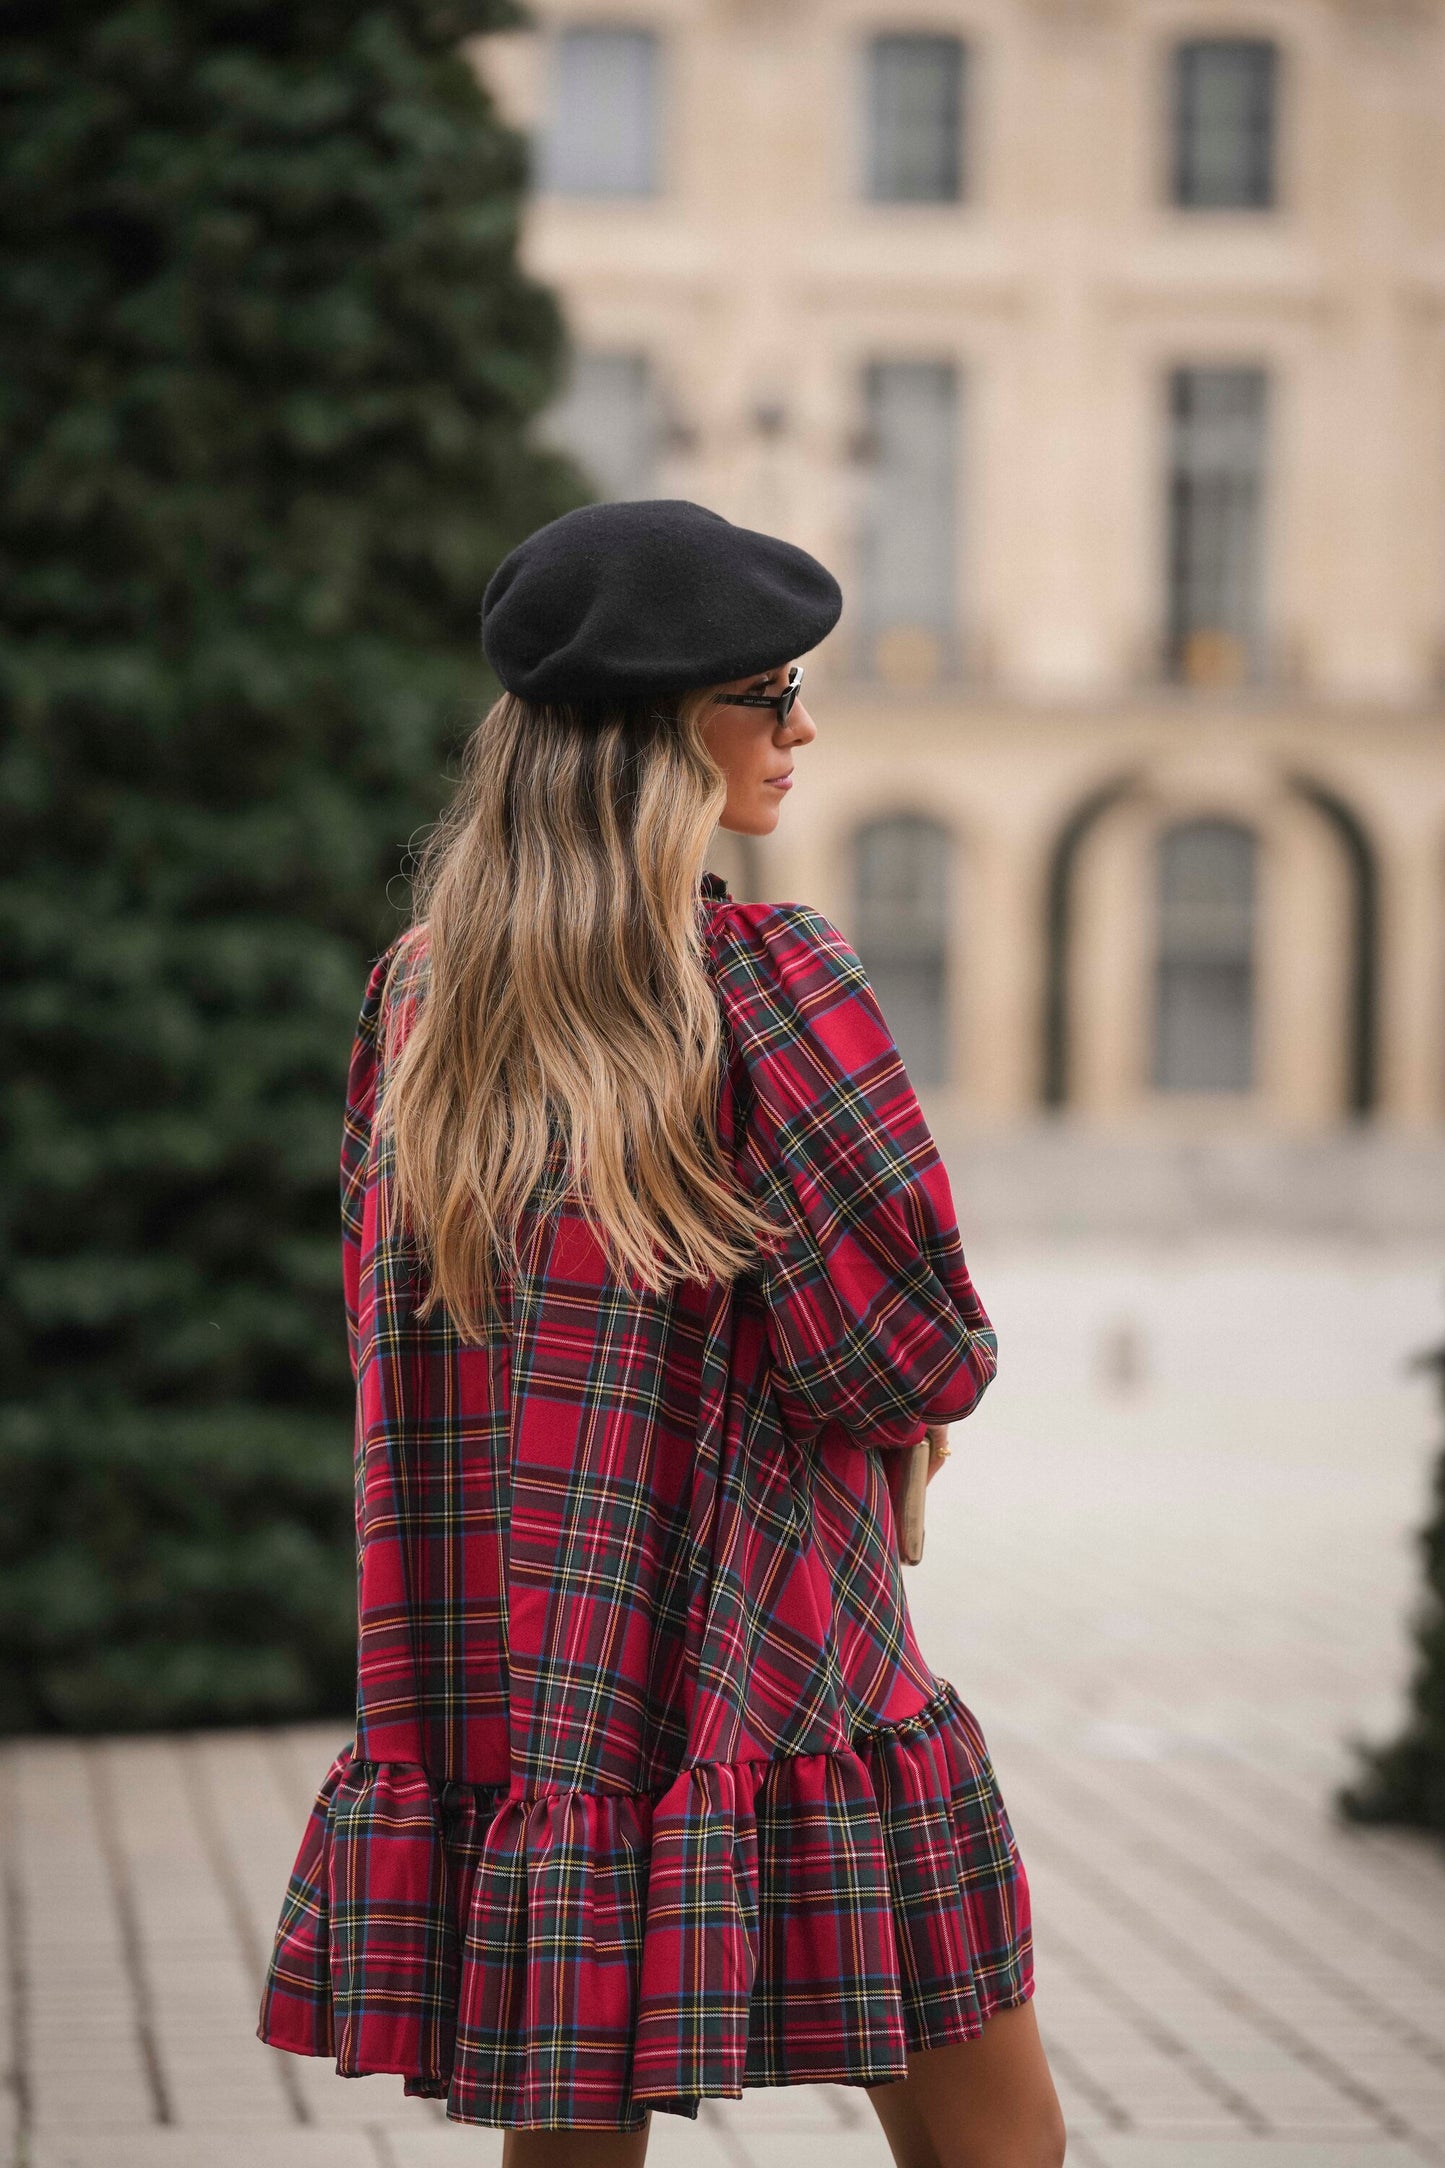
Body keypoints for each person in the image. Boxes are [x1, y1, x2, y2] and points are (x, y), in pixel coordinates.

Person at [256, 500, 1065, 2168]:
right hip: (791, 1652)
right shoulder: (774, 985)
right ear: (654, 732)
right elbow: (912, 1354)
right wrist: (911, 1437)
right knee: (994, 2148)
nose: (799, 727)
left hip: (533, 1673)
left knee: (571, 2141)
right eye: (765, 691)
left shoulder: (421, 1002)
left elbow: (393, 1352)